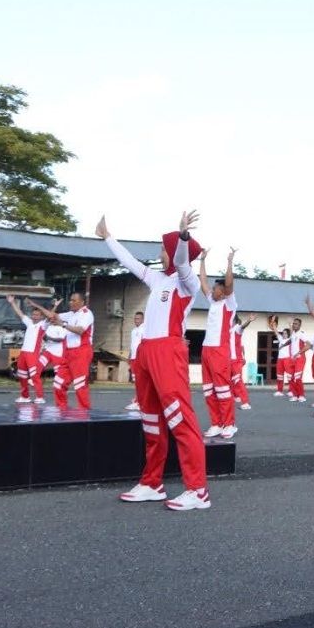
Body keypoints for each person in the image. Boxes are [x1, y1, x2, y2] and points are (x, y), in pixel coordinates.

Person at [100, 211, 212, 510]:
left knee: (180, 419)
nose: (160, 253)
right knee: (151, 420)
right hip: (147, 353)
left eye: (164, 248)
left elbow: (183, 263)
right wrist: (108, 237)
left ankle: (197, 490)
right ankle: (152, 482)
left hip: (168, 352)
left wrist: (183, 236)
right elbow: (130, 263)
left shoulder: (185, 283)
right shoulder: (157, 279)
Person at [197, 249, 239, 439]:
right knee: (208, 389)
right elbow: (203, 282)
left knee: (222, 390)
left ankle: (229, 424)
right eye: (213, 289)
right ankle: (216, 423)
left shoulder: (229, 304)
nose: (212, 290)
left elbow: (229, 283)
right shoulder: (212, 302)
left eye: (216, 289)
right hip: (206, 350)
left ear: (223, 292)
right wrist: (202, 260)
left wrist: (230, 261)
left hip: (220, 351)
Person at [35, 292, 95, 409]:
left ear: (82, 302)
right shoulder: (71, 314)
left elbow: (80, 330)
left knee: (80, 384)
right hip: (68, 353)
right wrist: (37, 306)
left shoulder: (86, 313)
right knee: (58, 383)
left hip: (81, 352)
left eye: (74, 300)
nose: (70, 302)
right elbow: (52, 315)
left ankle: (84, 413)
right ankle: (62, 410)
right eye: (70, 300)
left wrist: (62, 324)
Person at [7, 295, 51, 404]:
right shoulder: (29, 323)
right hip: (23, 352)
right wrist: (12, 302)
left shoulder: (43, 325)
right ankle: (24, 396)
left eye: (37, 315)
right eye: (33, 314)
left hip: (33, 353)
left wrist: (36, 305)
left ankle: (40, 397)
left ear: (41, 317)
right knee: (22, 375)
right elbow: (20, 313)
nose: (34, 316)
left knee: (34, 376)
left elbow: (50, 315)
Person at [231, 313, 254, 410]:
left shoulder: (237, 328)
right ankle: (236, 397)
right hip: (229, 359)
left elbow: (242, 326)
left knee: (238, 380)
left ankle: (246, 403)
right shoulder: (228, 330)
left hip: (236, 360)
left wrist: (249, 320)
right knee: (230, 380)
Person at [127, 311, 145, 412]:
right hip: (133, 358)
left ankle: (139, 402)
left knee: (139, 381)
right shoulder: (133, 330)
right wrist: (129, 356)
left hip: (139, 358)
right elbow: (132, 345)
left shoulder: (144, 329)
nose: (136, 320)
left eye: (138, 319)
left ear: (142, 319)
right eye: (135, 319)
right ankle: (137, 399)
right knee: (135, 381)